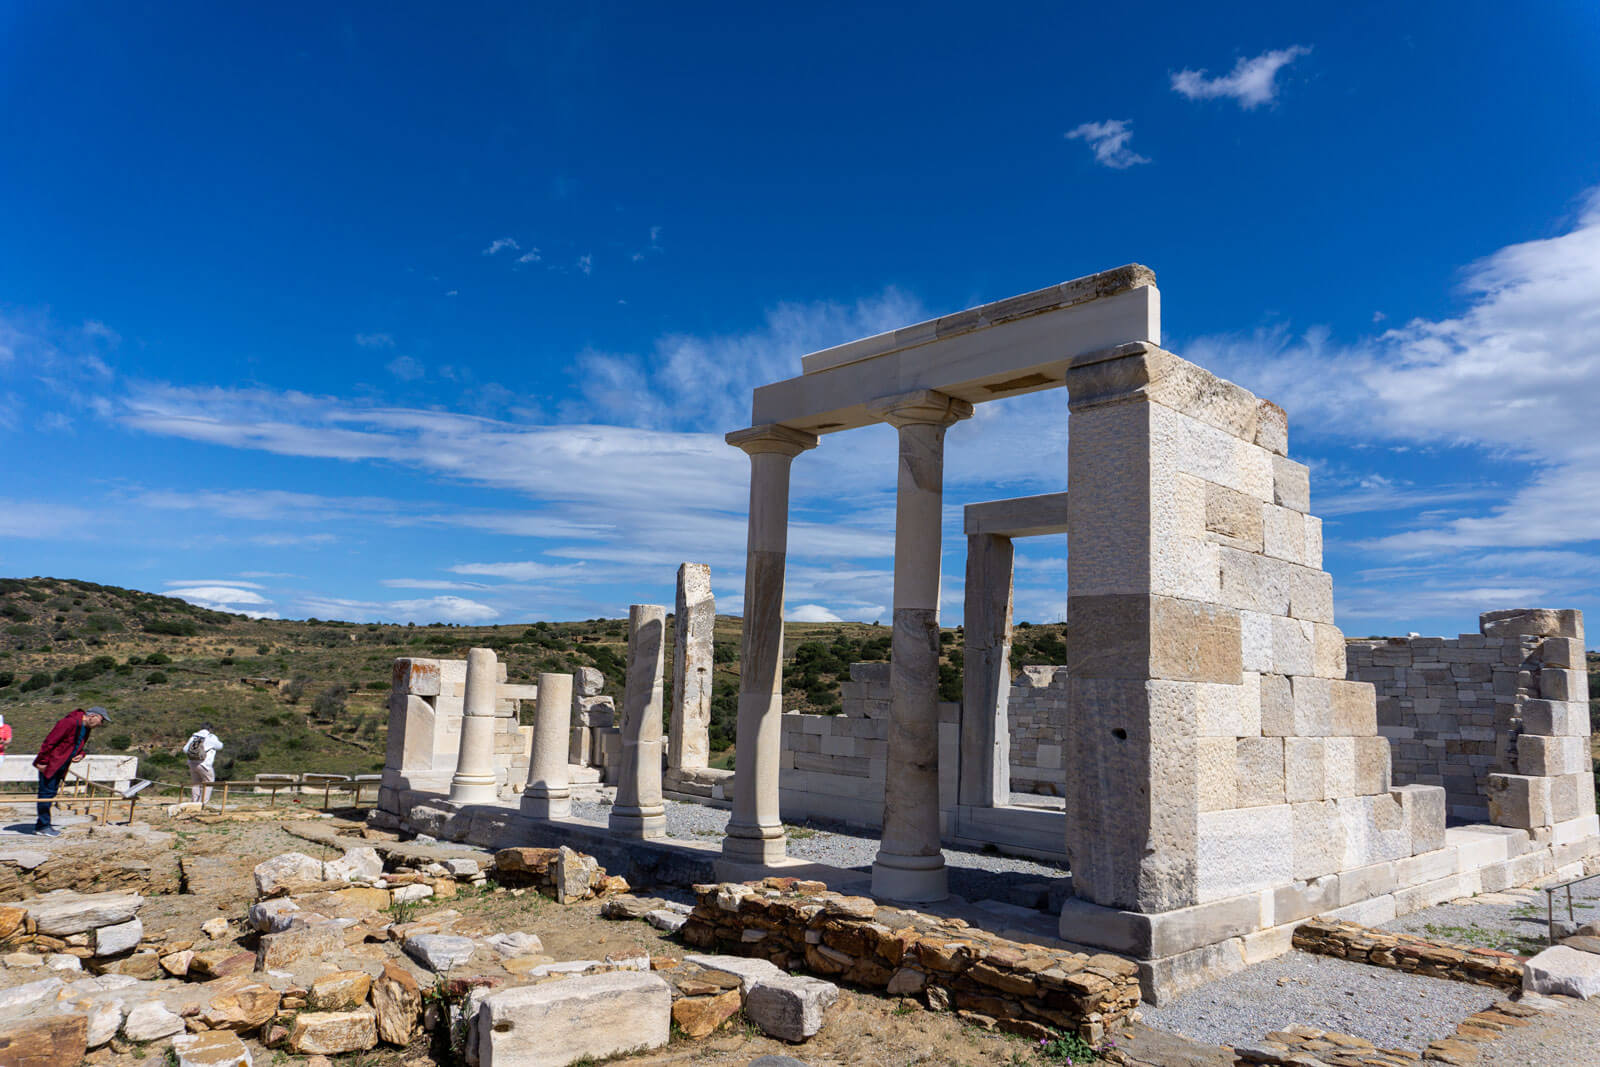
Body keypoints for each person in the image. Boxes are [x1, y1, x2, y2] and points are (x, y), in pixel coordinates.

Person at [33, 706, 110, 837]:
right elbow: (50, 742)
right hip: (51, 763)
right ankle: (43, 826)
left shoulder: (85, 728)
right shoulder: (69, 722)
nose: (101, 724)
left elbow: (77, 745)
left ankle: (43, 824)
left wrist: (81, 754)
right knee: (46, 794)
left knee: (50, 794)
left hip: (61, 764)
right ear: (93, 716)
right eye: (101, 720)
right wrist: (42, 761)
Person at [182, 723, 224, 805]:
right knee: (209, 782)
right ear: (210, 729)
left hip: (192, 763)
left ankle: (194, 803)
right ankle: (202, 803)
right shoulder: (211, 737)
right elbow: (220, 746)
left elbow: (184, 749)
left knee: (196, 783)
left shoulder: (194, 737)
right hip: (204, 764)